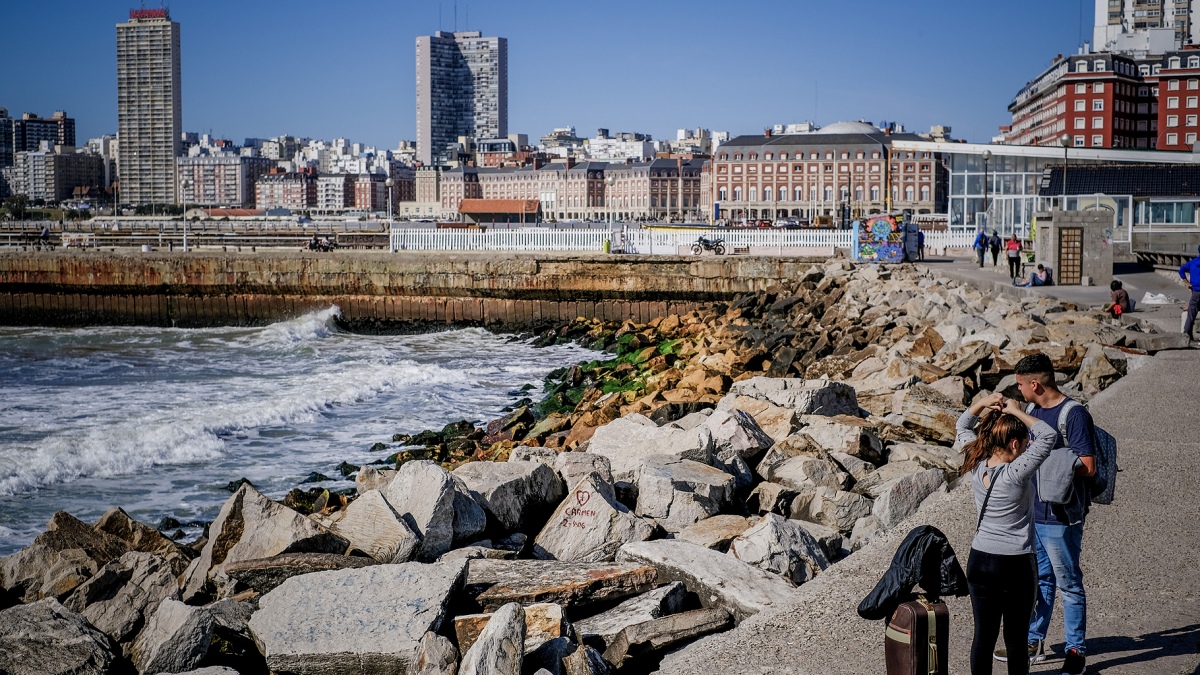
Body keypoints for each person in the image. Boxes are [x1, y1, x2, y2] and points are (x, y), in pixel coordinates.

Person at [993, 354, 1097, 675]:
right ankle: (1033, 640)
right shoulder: (1033, 411)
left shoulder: (1074, 414)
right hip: (1034, 513)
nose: (1019, 390)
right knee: (1040, 581)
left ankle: (1076, 650)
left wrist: (1046, 463)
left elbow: (1088, 466)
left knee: (1069, 584)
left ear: (1035, 384)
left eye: (1021, 385)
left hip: (1061, 517)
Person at [958, 392, 1057, 675]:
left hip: (980, 560)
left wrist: (982, 403)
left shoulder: (977, 462)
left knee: (983, 636)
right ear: (1014, 443)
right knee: (1015, 638)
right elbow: (1048, 436)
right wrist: (1016, 411)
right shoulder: (1016, 472)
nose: (1027, 448)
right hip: (1015, 563)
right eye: (1025, 444)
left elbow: (962, 426)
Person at [1180, 243, 1200, 340]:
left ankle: (1186, 335)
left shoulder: (1193, 262)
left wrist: (1187, 283)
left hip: (1196, 292)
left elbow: (1181, 270)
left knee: (1191, 314)